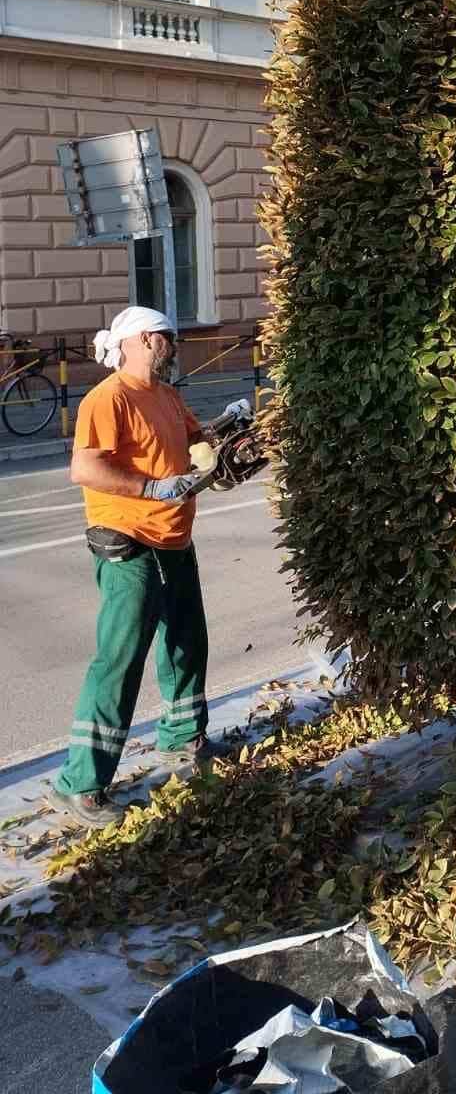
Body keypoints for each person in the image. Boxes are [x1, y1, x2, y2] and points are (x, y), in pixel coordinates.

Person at [50, 306, 221, 829]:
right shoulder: (109, 398)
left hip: (173, 538)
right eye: (170, 337)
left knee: (187, 641)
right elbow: (86, 467)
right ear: (145, 340)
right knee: (120, 659)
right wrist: (151, 488)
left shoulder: (166, 395)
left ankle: (181, 742)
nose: (176, 345)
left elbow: (192, 437)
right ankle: (80, 783)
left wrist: (210, 453)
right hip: (128, 542)